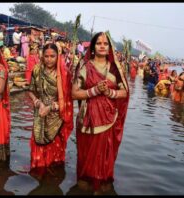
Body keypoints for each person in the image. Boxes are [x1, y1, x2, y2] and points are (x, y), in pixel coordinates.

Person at [71, 32, 129, 192]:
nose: (102, 46)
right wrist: (95, 90)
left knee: (105, 155)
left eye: (105, 43)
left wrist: (110, 93)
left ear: (109, 48)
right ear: (93, 46)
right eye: (99, 43)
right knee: (87, 153)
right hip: (87, 119)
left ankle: (102, 181)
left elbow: (124, 92)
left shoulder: (116, 69)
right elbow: (74, 93)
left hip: (109, 118)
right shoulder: (84, 66)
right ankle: (86, 180)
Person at [28, 43, 73, 170]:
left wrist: (51, 107)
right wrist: (38, 102)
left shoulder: (64, 74)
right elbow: (30, 90)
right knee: (38, 149)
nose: (49, 59)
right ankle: (39, 170)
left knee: (55, 153)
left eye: (52, 56)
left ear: (58, 56)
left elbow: (68, 99)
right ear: (42, 56)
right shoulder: (37, 70)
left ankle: (52, 173)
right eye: (46, 56)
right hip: (40, 114)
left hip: (56, 117)